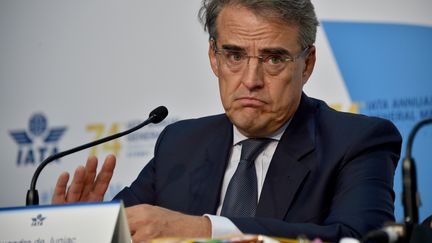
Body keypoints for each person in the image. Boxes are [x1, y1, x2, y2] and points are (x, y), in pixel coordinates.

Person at [52, 0, 402, 242]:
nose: (251, 79)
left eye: (274, 58)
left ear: (307, 64)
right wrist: (83, 227)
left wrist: (207, 232)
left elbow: (361, 239)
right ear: (213, 58)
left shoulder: (357, 141)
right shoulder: (180, 142)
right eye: (234, 55)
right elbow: (132, 228)